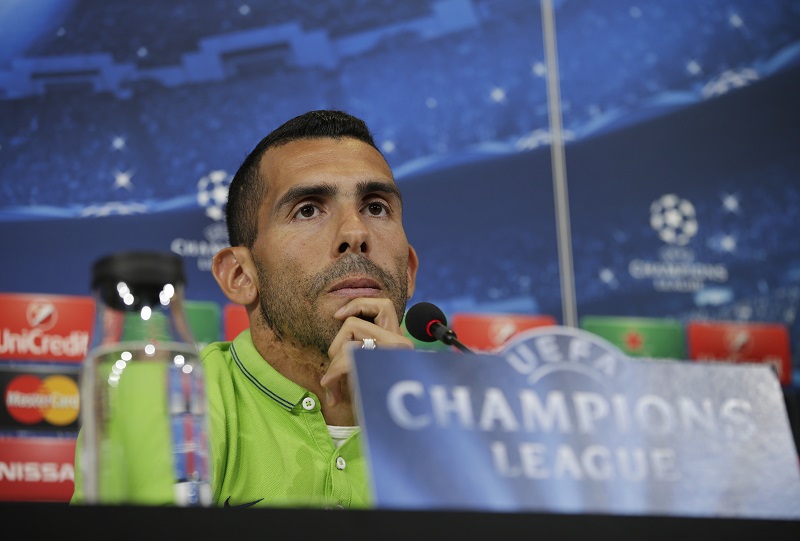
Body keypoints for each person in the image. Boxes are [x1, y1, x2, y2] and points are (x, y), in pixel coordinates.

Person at [201, 109, 419, 508]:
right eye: (308, 209)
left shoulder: (462, 415)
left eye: (375, 207)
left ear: (407, 271)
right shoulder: (179, 397)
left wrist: (404, 417)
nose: (355, 233)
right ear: (239, 275)